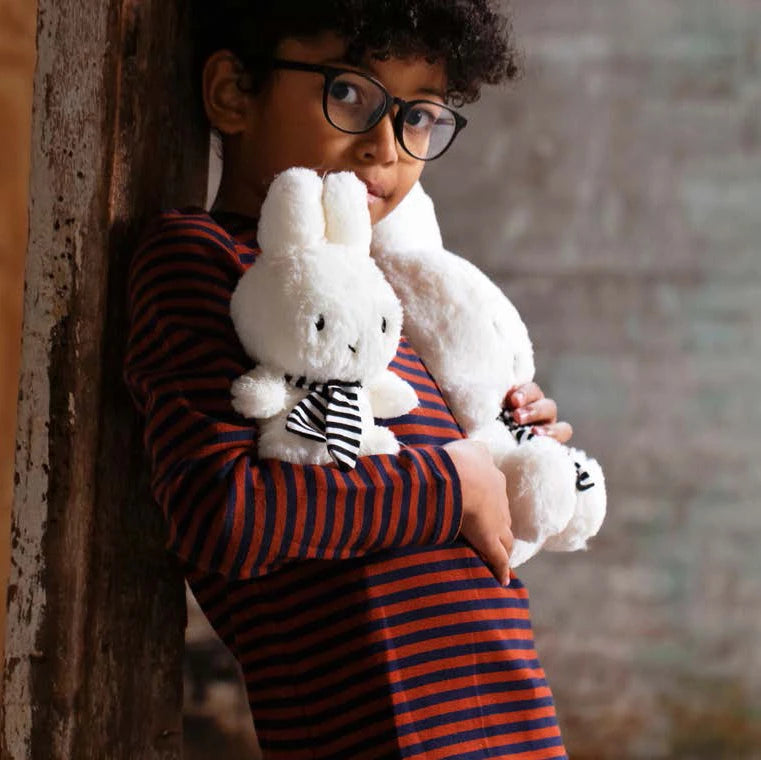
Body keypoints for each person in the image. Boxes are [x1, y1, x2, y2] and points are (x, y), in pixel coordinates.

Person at [124, 2, 574, 758]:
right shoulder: (204, 262)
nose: (384, 147)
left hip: (513, 730)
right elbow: (222, 514)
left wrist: (509, 443)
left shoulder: (388, 299)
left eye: (419, 116)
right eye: (348, 95)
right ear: (234, 93)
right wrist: (452, 484)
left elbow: (455, 492)